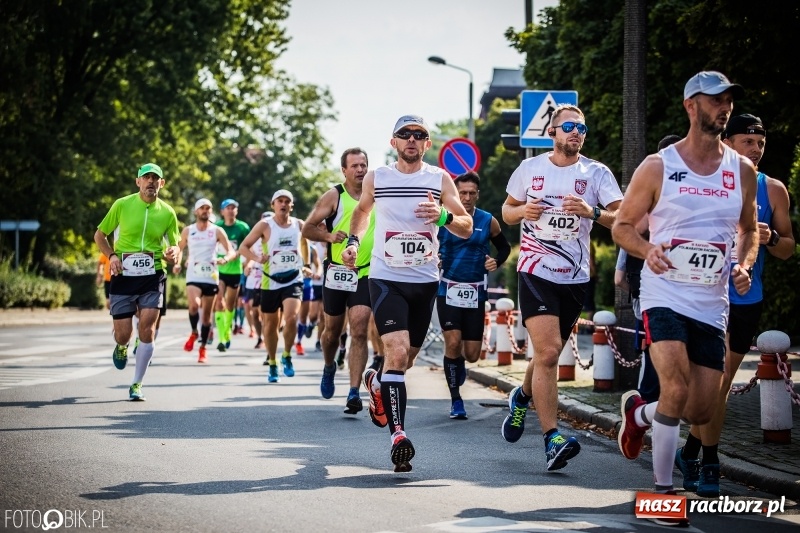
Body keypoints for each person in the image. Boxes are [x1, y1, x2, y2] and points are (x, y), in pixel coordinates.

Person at [613, 71, 757, 525]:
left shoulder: (743, 171)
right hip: (664, 294)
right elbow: (622, 226)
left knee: (699, 408)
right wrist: (647, 250)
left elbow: (748, 230)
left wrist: (744, 264)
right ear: (691, 106)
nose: (725, 107)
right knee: (674, 387)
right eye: (715, 100)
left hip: (711, 303)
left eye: (728, 100)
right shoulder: (658, 166)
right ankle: (662, 496)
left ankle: (639, 414)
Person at [673, 114, 795, 498]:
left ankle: (691, 451)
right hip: (706, 295)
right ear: (727, 141)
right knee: (714, 382)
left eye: (760, 143)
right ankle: (709, 461)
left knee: (720, 388)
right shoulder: (703, 181)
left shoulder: (772, 189)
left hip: (747, 297)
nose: (756, 150)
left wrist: (772, 236)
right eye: (747, 142)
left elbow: (789, 249)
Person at [342, 116, 472, 472]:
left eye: (419, 135)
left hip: (424, 280)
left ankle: (375, 380)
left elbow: (466, 225)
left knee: (406, 360)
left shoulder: (439, 179)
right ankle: (398, 435)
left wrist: (443, 216)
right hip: (386, 278)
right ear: (393, 141)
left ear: (427, 144)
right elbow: (362, 213)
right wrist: (353, 243)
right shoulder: (378, 177)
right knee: (396, 353)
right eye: (405, 135)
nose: (412, 140)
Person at [500, 104, 623, 471]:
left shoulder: (596, 173)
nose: (576, 132)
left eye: (581, 128)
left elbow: (623, 218)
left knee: (544, 353)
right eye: (568, 126)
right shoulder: (530, 168)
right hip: (535, 271)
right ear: (552, 132)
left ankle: (521, 398)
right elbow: (506, 211)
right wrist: (524, 212)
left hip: (574, 276)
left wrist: (592, 212)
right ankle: (552, 437)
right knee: (551, 351)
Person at [93, 163, 180, 401]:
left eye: (156, 178)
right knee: (123, 333)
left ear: (162, 183)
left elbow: (175, 244)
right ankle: (121, 346)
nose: (151, 182)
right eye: (146, 178)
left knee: (148, 328)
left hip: (153, 274)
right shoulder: (122, 205)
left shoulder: (167, 212)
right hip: (123, 274)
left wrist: (173, 252)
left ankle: (137, 384)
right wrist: (111, 256)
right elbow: (100, 235)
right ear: (138, 181)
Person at [302, 147, 377, 413]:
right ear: (344, 170)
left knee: (358, 329)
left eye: (363, 165)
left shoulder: (378, 195)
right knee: (331, 333)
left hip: (365, 272)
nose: (360, 170)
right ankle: (329, 365)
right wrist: (328, 237)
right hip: (337, 272)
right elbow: (307, 227)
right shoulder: (334, 195)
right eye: (354, 166)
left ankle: (354, 392)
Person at [613, 135, 681, 404]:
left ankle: (644, 408)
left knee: (653, 362)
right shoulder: (675, 201)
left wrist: (639, 292)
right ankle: (644, 410)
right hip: (669, 299)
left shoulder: (644, 204)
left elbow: (619, 278)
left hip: (649, 301)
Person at [437, 171, 510, 419]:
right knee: (453, 343)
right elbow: (428, 245)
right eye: (462, 193)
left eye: (471, 193)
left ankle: (457, 366)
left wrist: (496, 261)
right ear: (455, 194)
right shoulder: (442, 218)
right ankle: (456, 399)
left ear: (477, 194)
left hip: (475, 293)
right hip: (447, 289)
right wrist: (432, 258)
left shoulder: (488, 221)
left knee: (471, 354)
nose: (466, 198)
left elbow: (505, 247)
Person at [239, 189, 310, 383]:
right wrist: (257, 258)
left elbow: (306, 244)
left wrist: (307, 265)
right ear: (273, 204)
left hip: (293, 278)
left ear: (291, 206)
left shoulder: (299, 224)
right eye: (280, 201)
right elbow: (243, 248)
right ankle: (272, 362)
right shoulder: (264, 225)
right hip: (270, 280)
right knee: (270, 325)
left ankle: (286, 355)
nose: (284, 204)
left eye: (287, 201)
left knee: (291, 317)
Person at [173, 198, 236, 363]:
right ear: (196, 211)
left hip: (211, 276)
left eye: (208, 208)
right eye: (202, 208)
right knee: (194, 305)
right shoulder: (188, 230)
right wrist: (177, 263)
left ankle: (202, 348)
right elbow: (179, 249)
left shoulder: (217, 231)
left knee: (207, 318)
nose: (205, 211)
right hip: (193, 274)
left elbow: (231, 251)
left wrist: (225, 259)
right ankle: (194, 331)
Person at [214, 198, 250, 352]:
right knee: (219, 302)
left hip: (235, 271)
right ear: (222, 211)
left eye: (233, 208)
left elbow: (250, 246)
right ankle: (222, 337)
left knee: (230, 304)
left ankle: (228, 331)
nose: (230, 210)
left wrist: (247, 263)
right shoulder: (216, 227)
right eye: (227, 208)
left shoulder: (242, 227)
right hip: (219, 271)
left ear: (237, 211)